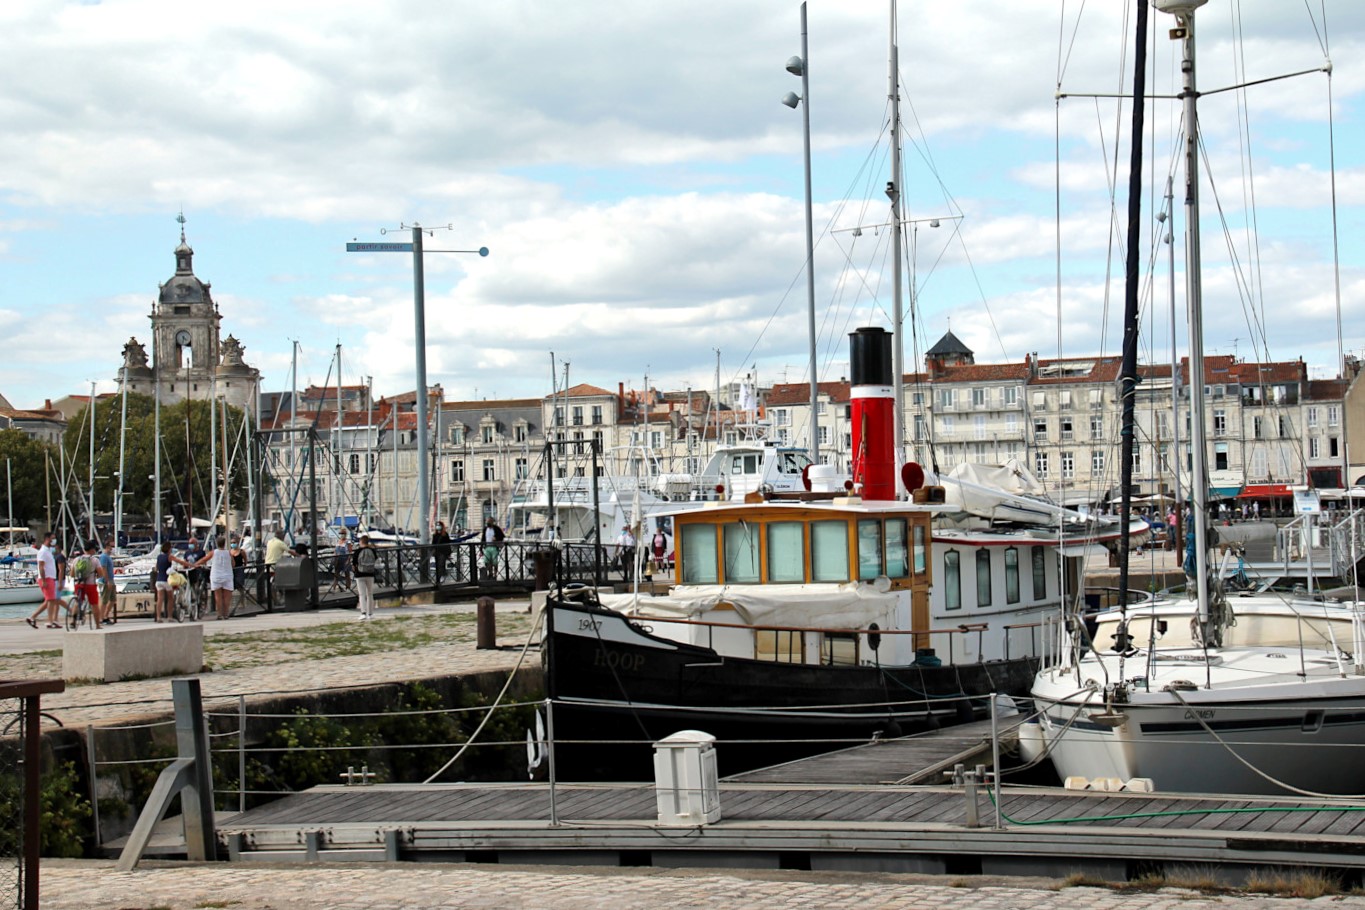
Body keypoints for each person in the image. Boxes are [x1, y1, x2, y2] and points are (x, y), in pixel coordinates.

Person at [26, 531, 64, 629]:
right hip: (46, 578)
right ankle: (50, 621)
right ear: (47, 539)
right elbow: (41, 566)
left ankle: (33, 617)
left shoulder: (48, 551)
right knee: (50, 600)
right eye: (53, 538)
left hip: (51, 578)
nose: (54, 540)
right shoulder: (42, 552)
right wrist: (43, 580)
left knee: (50, 600)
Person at [154, 540, 193, 623]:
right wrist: (192, 565)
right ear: (169, 549)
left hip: (158, 580)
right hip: (167, 580)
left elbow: (156, 568)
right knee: (170, 598)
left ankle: (158, 617)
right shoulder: (169, 557)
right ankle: (169, 616)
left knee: (160, 599)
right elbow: (180, 562)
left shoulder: (159, 557)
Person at [200, 535, 237, 620]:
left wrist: (195, 564)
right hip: (227, 576)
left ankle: (219, 614)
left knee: (218, 597)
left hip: (216, 576)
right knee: (227, 597)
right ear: (224, 543)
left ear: (217, 543)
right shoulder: (228, 553)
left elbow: (204, 559)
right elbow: (233, 564)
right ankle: (226, 614)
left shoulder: (213, 552)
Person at [70, 541, 103, 628]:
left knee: (77, 602)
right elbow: (101, 574)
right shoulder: (95, 560)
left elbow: (72, 574)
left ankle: (73, 621)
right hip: (90, 585)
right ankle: (97, 625)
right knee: (94, 604)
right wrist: (95, 574)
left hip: (79, 584)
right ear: (92, 550)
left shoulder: (76, 559)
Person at [352, 533, 378, 621]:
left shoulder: (357, 551)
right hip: (370, 574)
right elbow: (376, 561)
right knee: (370, 594)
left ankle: (363, 613)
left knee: (362, 594)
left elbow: (354, 564)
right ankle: (370, 614)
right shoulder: (372, 551)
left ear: (361, 542)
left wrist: (355, 571)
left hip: (360, 575)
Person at [98, 537, 118, 625]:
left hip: (111, 580)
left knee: (113, 599)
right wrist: (107, 581)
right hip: (105, 581)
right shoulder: (103, 557)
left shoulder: (108, 557)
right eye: (111, 546)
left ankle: (105, 615)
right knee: (104, 600)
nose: (112, 548)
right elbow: (103, 569)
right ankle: (101, 618)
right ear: (107, 546)